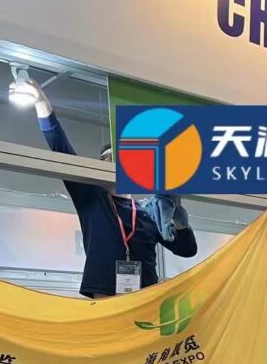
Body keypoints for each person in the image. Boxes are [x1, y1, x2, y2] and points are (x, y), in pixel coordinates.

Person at [17, 79, 197, 298]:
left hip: (145, 301)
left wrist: (179, 219)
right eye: (109, 159)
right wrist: (42, 104)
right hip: (106, 301)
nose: (115, 164)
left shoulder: (148, 212)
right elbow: (62, 151)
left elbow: (187, 250)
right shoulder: (91, 199)